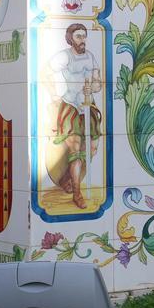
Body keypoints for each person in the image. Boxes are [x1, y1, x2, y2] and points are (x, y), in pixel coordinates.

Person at [45, 22, 102, 209]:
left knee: (91, 149)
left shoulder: (91, 57)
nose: (82, 40)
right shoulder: (64, 56)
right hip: (71, 106)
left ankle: (67, 179)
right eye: (78, 36)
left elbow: (98, 83)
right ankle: (77, 194)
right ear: (71, 39)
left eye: (84, 36)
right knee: (75, 150)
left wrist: (93, 88)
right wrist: (54, 96)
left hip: (88, 106)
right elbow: (46, 72)